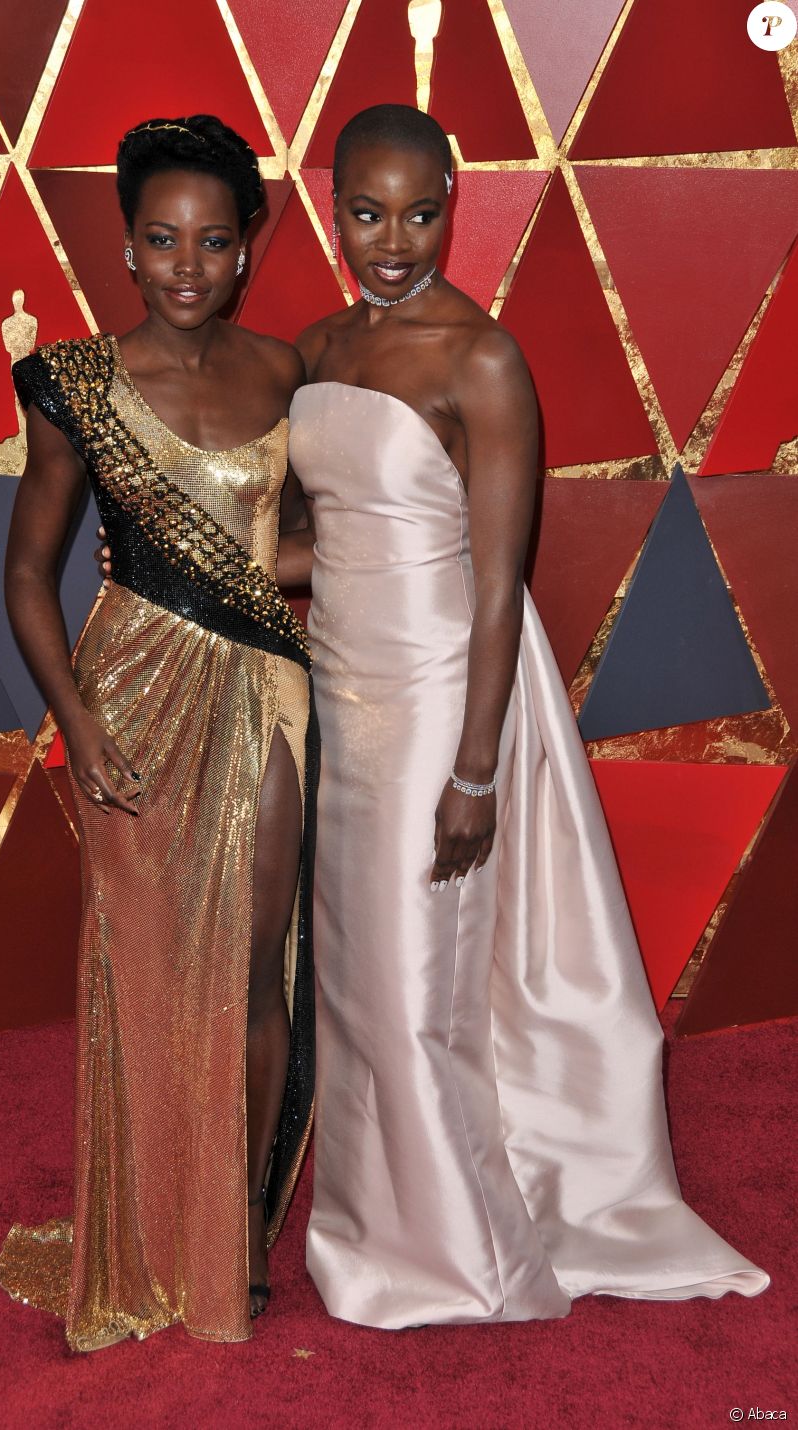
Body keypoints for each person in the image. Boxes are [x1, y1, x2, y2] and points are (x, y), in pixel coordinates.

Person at [285, 105, 768, 1326]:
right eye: (363, 211)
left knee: (411, 982)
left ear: (455, 200)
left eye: (420, 211)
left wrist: (475, 770)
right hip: (335, 693)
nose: (391, 239)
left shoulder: (480, 358)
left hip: (443, 693)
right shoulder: (315, 346)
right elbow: (317, 542)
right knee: (351, 981)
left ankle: (454, 1254)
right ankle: (370, 1222)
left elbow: (499, 577)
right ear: (325, 199)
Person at [0, 114, 315, 1350]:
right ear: (127, 248)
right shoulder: (75, 381)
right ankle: (147, 1217)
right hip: (126, 694)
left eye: (214, 241)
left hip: (266, 689)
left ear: (247, 248)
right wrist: (76, 727)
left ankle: (230, 1225)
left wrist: (359, 561)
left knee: (255, 956)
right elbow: (30, 573)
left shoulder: (291, 373)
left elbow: (284, 554)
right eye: (161, 239)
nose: (187, 263)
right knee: (145, 972)